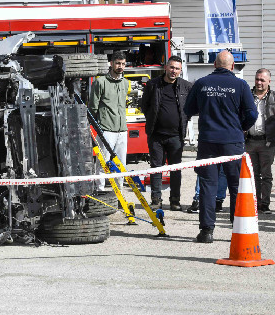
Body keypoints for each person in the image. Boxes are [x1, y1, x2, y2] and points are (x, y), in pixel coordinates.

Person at [184, 51, 258, 243]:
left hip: (208, 141)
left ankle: (207, 231)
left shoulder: (201, 83)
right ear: (232, 66)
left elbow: (188, 110)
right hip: (232, 142)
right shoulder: (240, 85)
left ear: (214, 64)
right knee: (236, 186)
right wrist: (240, 127)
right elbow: (252, 114)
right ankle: (237, 229)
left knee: (208, 185)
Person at [141, 55, 192, 210]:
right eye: (171, 67)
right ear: (165, 67)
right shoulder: (153, 85)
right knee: (156, 167)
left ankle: (175, 200)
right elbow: (144, 106)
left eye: (177, 68)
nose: (173, 71)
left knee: (176, 169)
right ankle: (156, 200)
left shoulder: (186, 86)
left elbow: (190, 107)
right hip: (156, 135)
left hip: (176, 136)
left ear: (180, 70)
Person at [246, 69, 275, 214]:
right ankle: (255, 203)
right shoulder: (247, 96)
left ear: (269, 81)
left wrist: (273, 134)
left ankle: (265, 204)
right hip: (249, 142)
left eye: (262, 80)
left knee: (266, 175)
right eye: (257, 79)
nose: (259, 82)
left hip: (267, 143)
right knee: (253, 174)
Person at [89, 51, 129, 191]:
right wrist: (98, 126)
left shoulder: (125, 83)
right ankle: (99, 191)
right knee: (103, 163)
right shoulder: (100, 82)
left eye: (123, 64)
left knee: (121, 164)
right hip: (106, 130)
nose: (120, 66)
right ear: (111, 64)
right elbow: (93, 107)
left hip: (122, 130)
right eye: (118, 63)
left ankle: (119, 194)